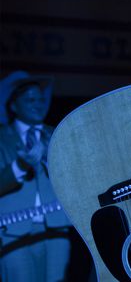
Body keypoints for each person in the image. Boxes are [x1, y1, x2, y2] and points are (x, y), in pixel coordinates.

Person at [0, 71, 72, 282]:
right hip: (13, 232)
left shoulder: (57, 133)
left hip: (57, 228)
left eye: (41, 99)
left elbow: (75, 180)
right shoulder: (2, 138)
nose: (38, 104)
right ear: (13, 105)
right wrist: (21, 165)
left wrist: (55, 164)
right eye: (30, 99)